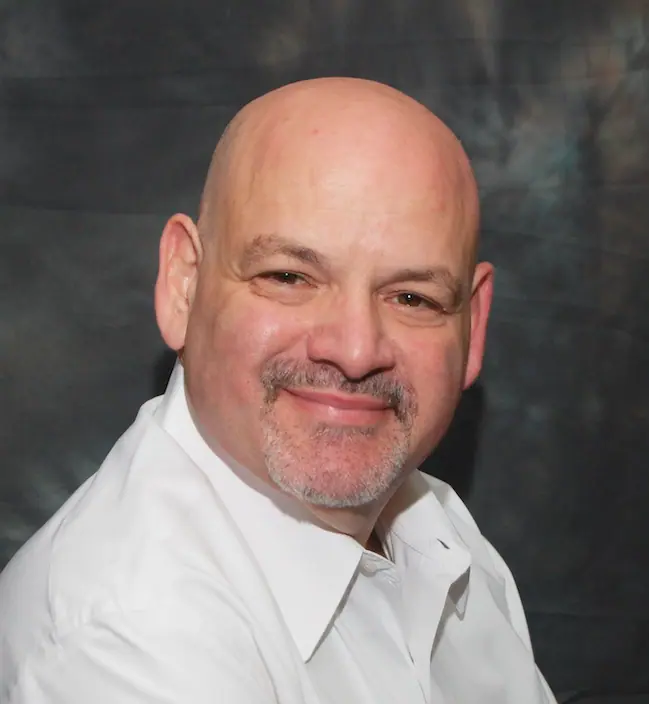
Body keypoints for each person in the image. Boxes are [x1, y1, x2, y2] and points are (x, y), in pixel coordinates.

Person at [0, 77, 557, 703]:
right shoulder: (126, 643)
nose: (354, 350)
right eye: (290, 276)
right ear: (185, 285)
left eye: (412, 297)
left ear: (473, 327)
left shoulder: (437, 528)